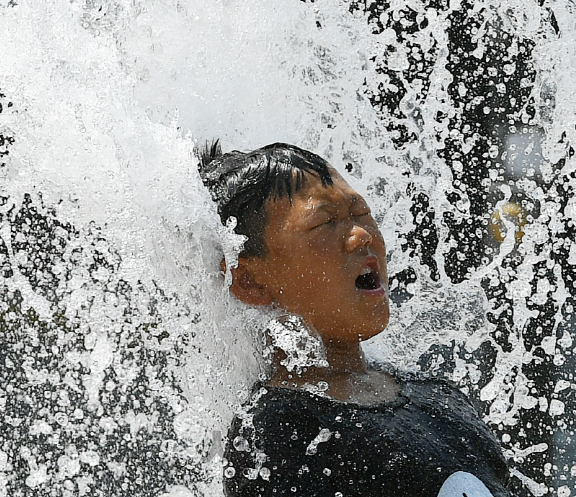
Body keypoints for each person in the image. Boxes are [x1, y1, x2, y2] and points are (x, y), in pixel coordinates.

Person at [199, 141, 511, 497]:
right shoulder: (282, 432)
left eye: (361, 213)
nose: (363, 235)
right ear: (249, 282)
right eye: (325, 222)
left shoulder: (440, 398)